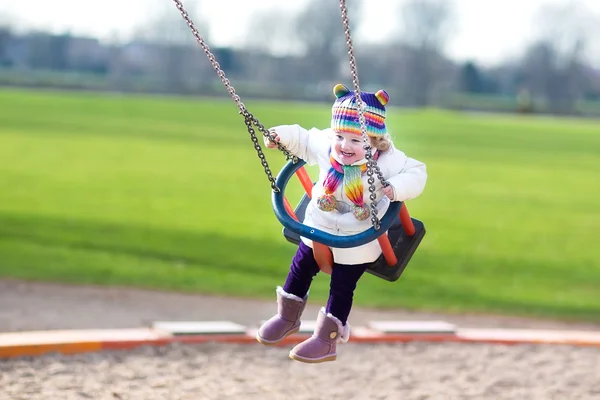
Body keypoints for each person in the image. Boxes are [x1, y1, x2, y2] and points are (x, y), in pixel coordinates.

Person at [256, 83, 427, 363]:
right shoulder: (328, 145)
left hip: (358, 236)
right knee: (299, 269)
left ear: (374, 141)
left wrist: (395, 187)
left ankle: (326, 339)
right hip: (320, 224)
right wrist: (279, 136)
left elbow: (417, 173)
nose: (345, 146)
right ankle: (287, 317)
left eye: (356, 141)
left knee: (342, 285)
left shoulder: (388, 161)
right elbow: (302, 138)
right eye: (340, 136)